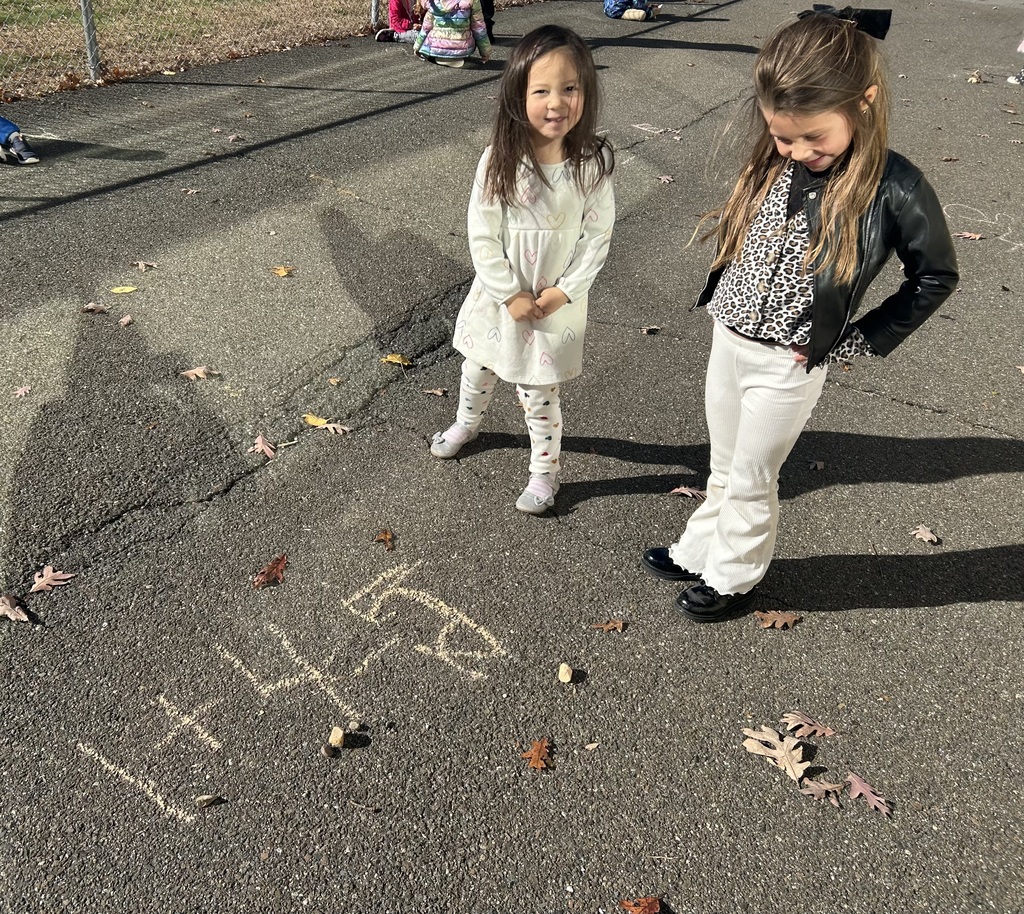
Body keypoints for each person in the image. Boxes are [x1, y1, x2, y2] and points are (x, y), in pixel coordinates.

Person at [642, 7, 958, 620]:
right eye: (785, 135)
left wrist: (853, 342)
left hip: (789, 362)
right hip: (729, 337)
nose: (797, 149)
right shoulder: (777, 157)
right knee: (724, 464)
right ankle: (699, 548)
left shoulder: (896, 186)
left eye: (814, 137)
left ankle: (733, 577)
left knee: (754, 474)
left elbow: (936, 276)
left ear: (864, 102)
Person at [429, 25, 615, 514]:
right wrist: (509, 293)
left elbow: (597, 239)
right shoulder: (499, 160)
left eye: (570, 88)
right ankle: (468, 423)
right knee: (479, 365)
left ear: (586, 92)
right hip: (500, 297)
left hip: (553, 304)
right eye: (542, 90)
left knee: (538, 391)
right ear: (518, 95)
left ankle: (544, 473)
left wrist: (563, 292)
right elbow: (483, 235)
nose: (557, 102)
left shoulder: (590, 165)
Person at [413, 0, 491, 68]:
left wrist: (417, 46)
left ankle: (440, 55)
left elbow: (426, 27)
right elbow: (479, 28)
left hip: (436, 47)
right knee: (474, 27)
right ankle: (454, 56)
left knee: (432, 28)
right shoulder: (471, 1)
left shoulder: (433, 2)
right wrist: (485, 51)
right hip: (462, 47)